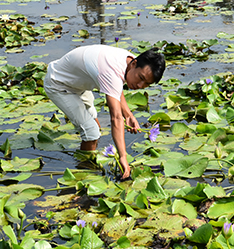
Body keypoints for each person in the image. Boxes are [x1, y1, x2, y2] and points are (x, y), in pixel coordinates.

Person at [43, 45, 165, 180]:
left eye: (146, 84)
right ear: (134, 64)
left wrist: (129, 115)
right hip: (58, 83)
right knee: (91, 132)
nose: (140, 86)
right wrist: (123, 156)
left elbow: (116, 87)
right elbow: (116, 118)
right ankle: (84, 174)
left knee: (95, 126)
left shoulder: (128, 60)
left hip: (78, 83)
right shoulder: (110, 69)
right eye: (141, 78)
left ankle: (87, 163)